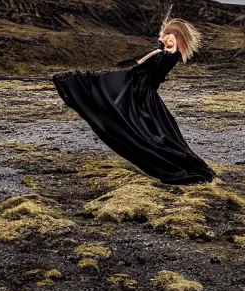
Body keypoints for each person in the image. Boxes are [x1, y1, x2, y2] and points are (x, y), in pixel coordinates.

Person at [52, 16, 214, 185]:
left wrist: (160, 49)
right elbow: (140, 63)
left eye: (170, 39)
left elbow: (150, 62)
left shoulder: (171, 54)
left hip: (143, 94)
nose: (165, 41)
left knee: (152, 133)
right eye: (165, 40)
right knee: (112, 100)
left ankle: (177, 165)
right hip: (136, 87)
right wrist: (157, 50)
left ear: (178, 36)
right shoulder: (165, 50)